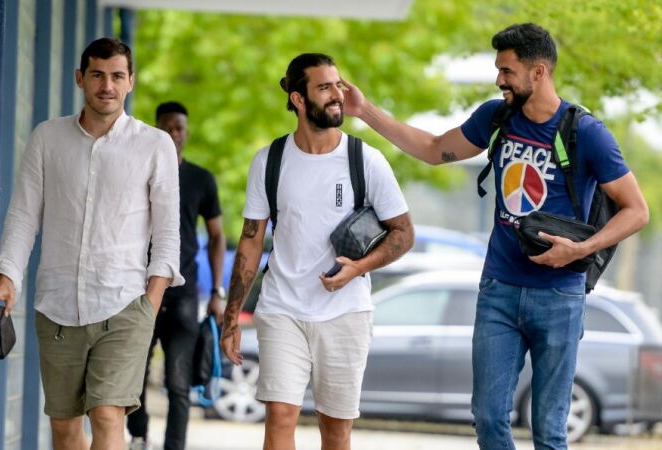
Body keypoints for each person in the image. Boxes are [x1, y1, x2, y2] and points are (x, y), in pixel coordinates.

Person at [342, 23, 649, 449]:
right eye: (498, 70)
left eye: (507, 71)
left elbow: (637, 210)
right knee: (488, 418)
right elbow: (433, 148)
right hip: (499, 290)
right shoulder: (496, 117)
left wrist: (581, 248)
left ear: (538, 72)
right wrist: (364, 111)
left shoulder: (585, 132)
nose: (499, 79)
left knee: (549, 429)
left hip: (560, 295)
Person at [0, 37, 183, 450]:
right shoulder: (47, 138)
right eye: (97, 75)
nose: (107, 85)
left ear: (130, 82)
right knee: (65, 427)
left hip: (124, 305)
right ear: (80, 78)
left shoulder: (154, 144)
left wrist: (151, 302)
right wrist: (7, 278)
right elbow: (23, 217)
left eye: (117, 76)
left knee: (107, 416)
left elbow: (166, 232)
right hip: (56, 306)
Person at [220, 53, 414, 450]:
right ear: (298, 99)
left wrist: (359, 267)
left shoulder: (366, 160)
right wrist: (231, 316)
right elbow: (251, 239)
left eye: (338, 85)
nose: (337, 95)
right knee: (279, 416)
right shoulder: (269, 161)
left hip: (346, 312)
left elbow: (404, 233)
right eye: (324, 87)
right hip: (282, 308)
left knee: (336, 430)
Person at [127, 101, 226, 450]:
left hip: (183, 293)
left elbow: (217, 236)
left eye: (179, 127)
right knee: (133, 376)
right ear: (156, 129)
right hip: (141, 290)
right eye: (166, 126)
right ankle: (139, 436)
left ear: (186, 132)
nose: (173, 133)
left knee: (178, 383)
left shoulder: (201, 179)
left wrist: (217, 292)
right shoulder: (138, 174)